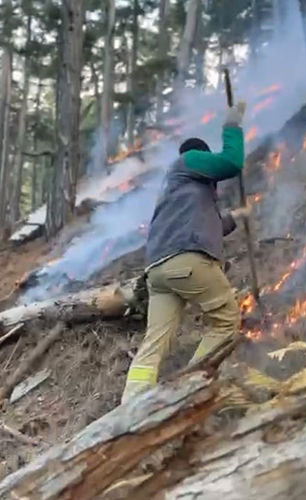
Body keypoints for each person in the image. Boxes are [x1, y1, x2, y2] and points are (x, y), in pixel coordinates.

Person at [121, 101, 251, 404]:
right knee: (225, 320)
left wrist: (238, 216)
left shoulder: (173, 191)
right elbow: (232, 162)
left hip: (159, 270)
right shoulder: (189, 159)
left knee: (155, 341)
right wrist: (232, 125)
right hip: (186, 260)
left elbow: (210, 225)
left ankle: (131, 406)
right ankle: (189, 392)